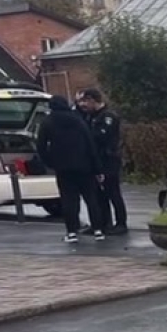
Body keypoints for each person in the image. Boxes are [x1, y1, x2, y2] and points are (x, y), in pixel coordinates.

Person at [36, 95, 106, 243]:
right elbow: (90, 144)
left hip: (63, 168)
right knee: (91, 198)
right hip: (84, 166)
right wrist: (98, 168)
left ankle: (72, 232)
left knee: (69, 200)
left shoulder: (48, 122)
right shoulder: (77, 120)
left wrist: (50, 162)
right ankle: (98, 230)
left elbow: (40, 146)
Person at [78, 87, 128, 235]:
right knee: (99, 194)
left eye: (86, 101)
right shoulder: (90, 116)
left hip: (109, 159)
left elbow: (100, 136)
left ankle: (121, 223)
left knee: (113, 192)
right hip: (96, 160)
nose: (84, 105)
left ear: (93, 100)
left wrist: (87, 136)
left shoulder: (108, 116)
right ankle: (104, 223)